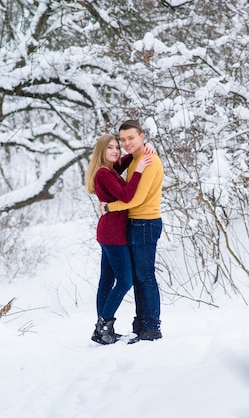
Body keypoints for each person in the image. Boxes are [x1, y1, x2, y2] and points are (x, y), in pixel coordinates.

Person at [85, 134, 153, 344]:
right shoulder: (104, 174)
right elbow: (126, 196)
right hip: (113, 234)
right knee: (124, 281)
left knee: (106, 281)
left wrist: (140, 149)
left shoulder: (109, 170)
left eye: (117, 147)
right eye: (110, 148)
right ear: (101, 152)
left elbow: (124, 161)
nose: (116, 151)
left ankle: (101, 330)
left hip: (109, 231)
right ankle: (104, 325)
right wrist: (139, 170)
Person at [100, 120, 164, 343]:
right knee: (138, 278)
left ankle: (152, 327)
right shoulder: (137, 159)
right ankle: (141, 325)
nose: (126, 143)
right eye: (123, 139)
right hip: (135, 223)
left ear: (142, 136)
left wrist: (109, 207)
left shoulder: (149, 161)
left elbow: (134, 198)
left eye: (131, 138)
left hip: (146, 223)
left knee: (145, 277)